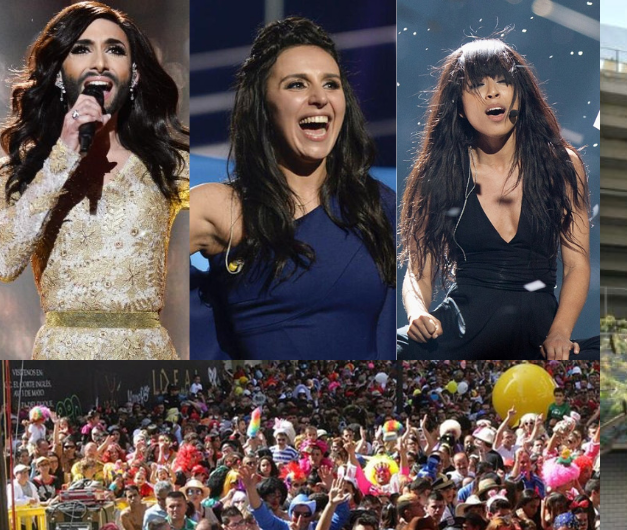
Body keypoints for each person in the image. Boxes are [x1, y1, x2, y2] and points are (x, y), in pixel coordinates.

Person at [190, 16, 395, 359]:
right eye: (296, 85)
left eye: (331, 84)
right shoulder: (222, 207)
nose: (319, 98)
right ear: (262, 105)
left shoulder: (378, 207)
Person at [0, 1, 188, 359]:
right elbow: (5, 262)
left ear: (132, 76)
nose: (100, 61)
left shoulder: (167, 164)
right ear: (59, 72)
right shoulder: (22, 169)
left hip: (145, 354)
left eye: (114, 50)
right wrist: (63, 153)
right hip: (63, 357)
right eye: (82, 48)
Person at [398, 37, 593, 360]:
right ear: (457, 104)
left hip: (542, 330)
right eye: (477, 85)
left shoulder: (562, 164)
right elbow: (420, 269)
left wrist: (560, 332)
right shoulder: (439, 172)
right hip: (464, 325)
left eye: (504, 81)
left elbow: (576, 264)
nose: (493, 92)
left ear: (520, 94)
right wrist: (417, 311)